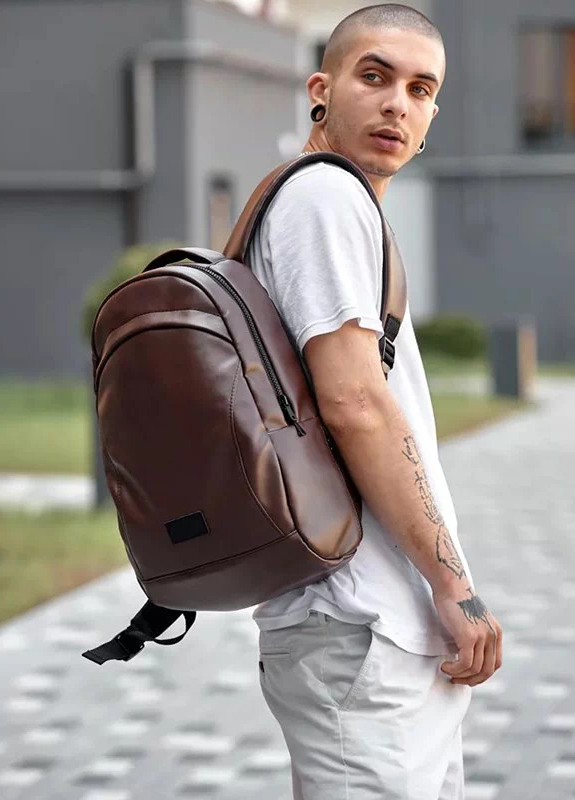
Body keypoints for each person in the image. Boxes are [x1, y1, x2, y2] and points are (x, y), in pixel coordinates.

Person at [247, 4, 503, 799]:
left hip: (373, 630)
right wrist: (455, 586)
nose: (398, 103)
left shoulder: (326, 200)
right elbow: (356, 403)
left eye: (421, 89)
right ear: (320, 90)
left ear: (432, 117)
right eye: (375, 76)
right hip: (361, 629)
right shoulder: (326, 198)